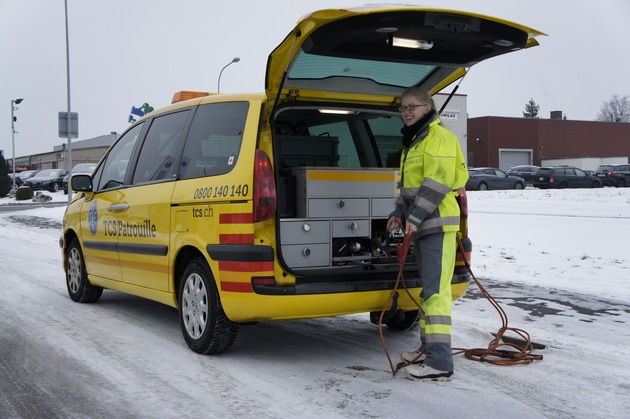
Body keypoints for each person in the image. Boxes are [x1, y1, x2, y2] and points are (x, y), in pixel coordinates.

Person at [386, 87, 468, 382]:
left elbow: (436, 184)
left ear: (428, 107)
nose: (407, 111)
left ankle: (440, 363)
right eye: (403, 107)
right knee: (428, 291)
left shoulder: (438, 138)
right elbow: (407, 188)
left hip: (436, 226)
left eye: (413, 106)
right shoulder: (414, 142)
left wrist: (415, 217)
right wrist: (398, 213)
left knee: (436, 293)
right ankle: (426, 349)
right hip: (422, 226)